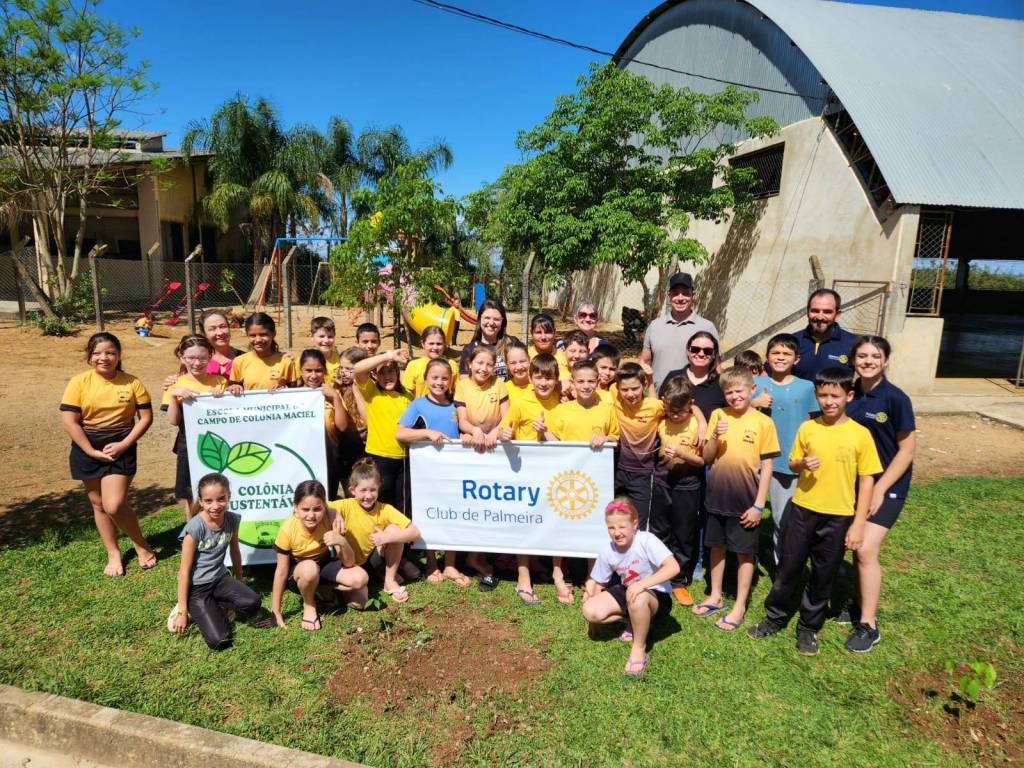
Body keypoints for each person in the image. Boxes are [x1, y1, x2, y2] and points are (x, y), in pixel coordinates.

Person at [747, 367, 882, 656]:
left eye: (835, 396)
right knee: (789, 567)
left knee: (824, 572)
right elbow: (793, 462)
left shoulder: (860, 435)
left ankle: (808, 626)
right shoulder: (808, 428)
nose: (828, 401)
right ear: (816, 396)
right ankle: (775, 617)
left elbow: (867, 479)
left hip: (838, 515)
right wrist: (802, 464)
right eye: (822, 395)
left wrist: (858, 523)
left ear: (849, 396)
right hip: (803, 509)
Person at [840, 336, 916, 653]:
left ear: (885, 360)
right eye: (862, 356)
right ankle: (857, 603)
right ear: (853, 360)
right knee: (853, 544)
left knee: (865, 550)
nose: (868, 361)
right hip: (854, 484)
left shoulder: (896, 398)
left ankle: (868, 624)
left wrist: (881, 488)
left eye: (875, 356)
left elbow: (907, 450)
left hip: (887, 487)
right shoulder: (849, 393)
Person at [60, 332, 157, 576]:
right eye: (97, 353)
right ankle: (113, 553)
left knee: (113, 504)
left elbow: (146, 418)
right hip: (86, 448)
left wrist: (124, 444)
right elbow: (70, 421)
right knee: (98, 504)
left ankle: (141, 544)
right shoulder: (78, 383)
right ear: (89, 356)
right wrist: (90, 450)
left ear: (119, 355)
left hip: (120, 449)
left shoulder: (132, 382)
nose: (104, 358)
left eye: (110, 353)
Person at [698, 366, 780, 633]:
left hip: (746, 501)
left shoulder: (764, 423)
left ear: (752, 389)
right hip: (716, 496)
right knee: (716, 546)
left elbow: (767, 467)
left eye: (739, 391)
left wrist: (759, 505)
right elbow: (707, 457)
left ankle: (740, 605)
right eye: (729, 392)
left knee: (745, 553)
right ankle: (715, 595)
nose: (734, 396)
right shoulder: (718, 415)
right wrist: (714, 436)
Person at [544, 359, 619, 605]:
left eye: (590, 381)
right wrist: (543, 431)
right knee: (561, 523)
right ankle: (558, 573)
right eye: (581, 381)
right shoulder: (561, 410)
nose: (586, 386)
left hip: (594, 481)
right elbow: (552, 441)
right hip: (565, 480)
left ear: (598, 382)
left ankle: (592, 576)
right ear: (573, 383)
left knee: (593, 526)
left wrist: (605, 438)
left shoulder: (607, 409)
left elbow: (616, 438)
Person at [396, 358, 472, 588]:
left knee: (453, 513)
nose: (439, 382)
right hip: (427, 474)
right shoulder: (418, 405)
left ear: (451, 380)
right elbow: (400, 433)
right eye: (435, 378)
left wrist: (465, 435)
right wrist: (427, 433)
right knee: (430, 514)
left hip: (453, 470)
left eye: (444, 378)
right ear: (426, 379)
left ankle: (450, 564)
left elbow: (460, 429)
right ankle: (431, 562)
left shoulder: (456, 405)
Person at [581, 498, 679, 677]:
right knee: (590, 610)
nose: (616, 533)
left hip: (657, 596)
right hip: (628, 591)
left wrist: (641, 585)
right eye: (611, 528)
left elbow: (673, 567)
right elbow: (599, 582)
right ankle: (634, 621)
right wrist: (592, 612)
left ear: (634, 524)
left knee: (638, 597)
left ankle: (639, 647)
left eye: (622, 527)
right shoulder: (608, 551)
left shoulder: (646, 540)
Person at [169, 473, 261, 649]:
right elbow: (184, 571)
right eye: (208, 501)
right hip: (197, 588)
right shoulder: (195, 528)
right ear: (201, 502)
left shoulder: (232, 519)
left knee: (252, 603)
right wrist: (182, 612)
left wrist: (239, 581)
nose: (216, 506)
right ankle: (188, 606)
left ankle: (213, 606)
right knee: (219, 640)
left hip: (220, 579)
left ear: (228, 497)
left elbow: (235, 551)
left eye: (221, 499)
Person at [499, 352, 562, 605]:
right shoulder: (521, 403)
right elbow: (505, 430)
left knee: (553, 520)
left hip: (554, 473)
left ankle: (556, 570)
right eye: (539, 377)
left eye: (549, 378)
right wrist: (504, 435)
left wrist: (546, 434)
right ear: (531, 378)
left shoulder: (562, 401)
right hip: (526, 474)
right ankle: (523, 576)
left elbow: (566, 442)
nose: (544, 383)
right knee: (525, 522)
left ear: (556, 379)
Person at [752, 333, 819, 564]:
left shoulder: (806, 387)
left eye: (786, 354)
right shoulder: (756, 384)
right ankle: (746, 558)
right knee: (750, 510)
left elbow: (812, 422)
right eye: (776, 353)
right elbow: (735, 410)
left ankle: (783, 565)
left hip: (787, 461)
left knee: (783, 518)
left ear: (796, 359)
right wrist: (754, 403)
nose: (780, 357)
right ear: (767, 357)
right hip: (755, 459)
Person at [271, 480, 370, 631]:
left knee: (360, 580)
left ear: (324, 506)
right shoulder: (287, 530)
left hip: (324, 563)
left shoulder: (330, 518)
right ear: (295, 508)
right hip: (300, 572)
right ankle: (309, 604)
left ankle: (322, 588)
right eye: (305, 509)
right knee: (309, 569)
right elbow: (281, 571)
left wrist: (342, 541)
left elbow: (349, 563)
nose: (311, 515)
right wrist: (276, 611)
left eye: (317, 509)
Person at [328, 459, 423, 604]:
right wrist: (334, 513)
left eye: (373, 490)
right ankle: (335, 587)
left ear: (379, 488)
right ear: (352, 490)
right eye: (363, 490)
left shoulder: (385, 509)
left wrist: (387, 537)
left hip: (371, 561)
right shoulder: (345, 505)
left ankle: (389, 580)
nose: (368, 496)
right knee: (360, 602)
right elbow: (320, 504)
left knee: (394, 530)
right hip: (348, 564)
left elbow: (415, 532)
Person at [454, 344, 510, 591]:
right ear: (470, 364)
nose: (484, 368)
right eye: (479, 363)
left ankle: (484, 554)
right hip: (472, 450)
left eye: (489, 364)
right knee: (473, 504)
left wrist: (495, 432)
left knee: (494, 504)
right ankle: (471, 555)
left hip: (495, 450)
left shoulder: (499, 384)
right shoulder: (463, 385)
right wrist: (475, 431)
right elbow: (462, 420)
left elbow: (506, 417)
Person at [162, 334, 228, 519]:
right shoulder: (175, 384)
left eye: (202, 358)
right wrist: (174, 396)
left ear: (210, 356)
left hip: (218, 445)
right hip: (187, 447)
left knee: (219, 489)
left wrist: (222, 397)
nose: (197, 363)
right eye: (191, 358)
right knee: (192, 495)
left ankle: (219, 528)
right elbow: (173, 421)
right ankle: (193, 531)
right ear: (181, 357)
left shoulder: (220, 381)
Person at [655, 376, 704, 607]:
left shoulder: (696, 424)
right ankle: (658, 574)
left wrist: (682, 454)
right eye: (671, 411)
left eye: (680, 412)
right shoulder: (662, 423)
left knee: (683, 533)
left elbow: (701, 461)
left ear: (690, 405)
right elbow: (658, 453)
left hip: (688, 484)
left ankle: (678, 580)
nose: (674, 416)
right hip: (663, 482)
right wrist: (663, 455)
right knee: (660, 530)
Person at [349, 349, 413, 514]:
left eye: (390, 371)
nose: (387, 376)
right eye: (381, 372)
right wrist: (388, 356)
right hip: (380, 457)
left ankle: (401, 532)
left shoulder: (408, 396)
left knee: (403, 505)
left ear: (397, 372)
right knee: (381, 504)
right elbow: (357, 369)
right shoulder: (372, 391)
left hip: (405, 459)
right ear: (375, 376)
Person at [641, 272, 719, 393]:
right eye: (675, 293)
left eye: (685, 293)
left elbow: (716, 365)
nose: (680, 298)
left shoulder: (707, 327)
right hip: (658, 395)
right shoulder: (655, 326)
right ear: (669, 296)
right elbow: (645, 361)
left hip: (693, 397)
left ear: (693, 295)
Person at [610, 362, 665, 533]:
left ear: (644, 386)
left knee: (638, 524)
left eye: (635, 388)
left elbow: (685, 407)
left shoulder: (655, 406)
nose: (630, 394)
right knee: (610, 518)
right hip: (616, 471)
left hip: (642, 474)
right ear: (617, 389)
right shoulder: (614, 398)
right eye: (625, 390)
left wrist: (701, 423)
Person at [297, 349, 349, 500]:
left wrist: (335, 398)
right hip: (302, 456)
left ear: (325, 371)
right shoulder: (292, 395)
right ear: (301, 371)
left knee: (327, 499)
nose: (313, 375)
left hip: (330, 458)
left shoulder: (332, 394)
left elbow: (342, 426)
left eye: (318, 370)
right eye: (308, 370)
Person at [657, 331, 727, 419]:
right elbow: (660, 408)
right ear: (688, 351)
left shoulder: (721, 383)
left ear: (714, 355)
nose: (701, 354)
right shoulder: (673, 376)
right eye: (695, 349)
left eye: (707, 351)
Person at [793, 289, 858, 381]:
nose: (820, 317)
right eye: (815, 311)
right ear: (807, 312)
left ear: (837, 314)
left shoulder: (853, 343)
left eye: (827, 312)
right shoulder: (793, 341)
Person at [228, 312, 297, 392]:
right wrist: (234, 387)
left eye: (263, 334)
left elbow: (294, 393)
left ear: (273, 334)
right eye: (253, 335)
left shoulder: (286, 362)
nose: (258, 340)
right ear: (247, 335)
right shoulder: (239, 361)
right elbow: (232, 388)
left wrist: (283, 389)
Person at [458, 299, 520, 381]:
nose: (491, 323)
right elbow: (464, 382)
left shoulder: (512, 343)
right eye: (487, 318)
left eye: (496, 319)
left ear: (503, 322)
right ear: (480, 319)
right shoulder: (469, 349)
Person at [401, 325, 459, 399]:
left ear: (444, 344)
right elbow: (406, 394)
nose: (435, 347)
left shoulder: (451, 365)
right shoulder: (414, 366)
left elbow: (457, 392)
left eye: (439, 344)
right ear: (423, 344)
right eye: (431, 343)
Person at [527, 312, 570, 379]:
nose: (543, 337)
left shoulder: (565, 356)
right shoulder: (525, 358)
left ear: (554, 332)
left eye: (547, 332)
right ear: (531, 333)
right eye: (538, 332)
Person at [310, 316, 341, 381]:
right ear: (312, 337)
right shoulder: (304, 361)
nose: (326, 340)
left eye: (330, 336)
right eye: (321, 336)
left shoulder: (340, 361)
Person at [504, 341, 532, 405]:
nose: (519, 367)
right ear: (507, 365)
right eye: (513, 363)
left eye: (522, 361)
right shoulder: (503, 389)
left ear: (529, 360)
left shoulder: (540, 385)